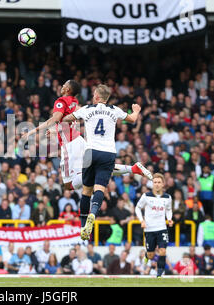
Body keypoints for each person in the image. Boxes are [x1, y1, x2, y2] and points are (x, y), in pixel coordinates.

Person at [62, 84, 151, 240]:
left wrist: (68, 114)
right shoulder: (114, 110)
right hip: (108, 153)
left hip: (91, 152)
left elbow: (67, 118)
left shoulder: (87, 108)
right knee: (99, 190)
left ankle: (83, 225)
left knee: (86, 191)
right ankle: (93, 215)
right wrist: (136, 111)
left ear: (97, 96)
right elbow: (131, 119)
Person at [135, 173, 173, 278]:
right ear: (152, 183)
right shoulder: (146, 196)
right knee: (151, 255)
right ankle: (147, 256)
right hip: (149, 229)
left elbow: (169, 210)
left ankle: (160, 274)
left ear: (163, 184)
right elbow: (137, 208)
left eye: (159, 182)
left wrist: (169, 219)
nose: (156, 184)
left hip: (162, 228)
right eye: (155, 182)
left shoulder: (167, 197)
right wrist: (141, 220)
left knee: (163, 250)